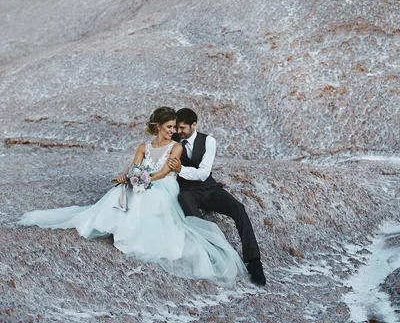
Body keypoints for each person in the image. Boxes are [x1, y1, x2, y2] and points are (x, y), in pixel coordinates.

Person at [18, 107, 246, 285]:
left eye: (175, 127)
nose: (173, 131)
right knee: (120, 191)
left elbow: (166, 172)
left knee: (146, 197)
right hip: (145, 180)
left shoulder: (175, 147)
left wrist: (145, 180)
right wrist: (128, 177)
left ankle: (129, 235)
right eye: (169, 126)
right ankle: (108, 224)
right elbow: (134, 167)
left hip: (163, 184)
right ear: (158, 127)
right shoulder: (143, 146)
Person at [168, 108, 266, 286]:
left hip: (209, 188)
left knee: (239, 208)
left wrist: (181, 169)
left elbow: (204, 173)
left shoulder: (208, 141)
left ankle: (254, 262)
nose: (179, 131)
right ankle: (209, 254)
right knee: (185, 202)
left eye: (182, 128)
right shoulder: (173, 140)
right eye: (177, 128)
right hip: (188, 192)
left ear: (194, 125)